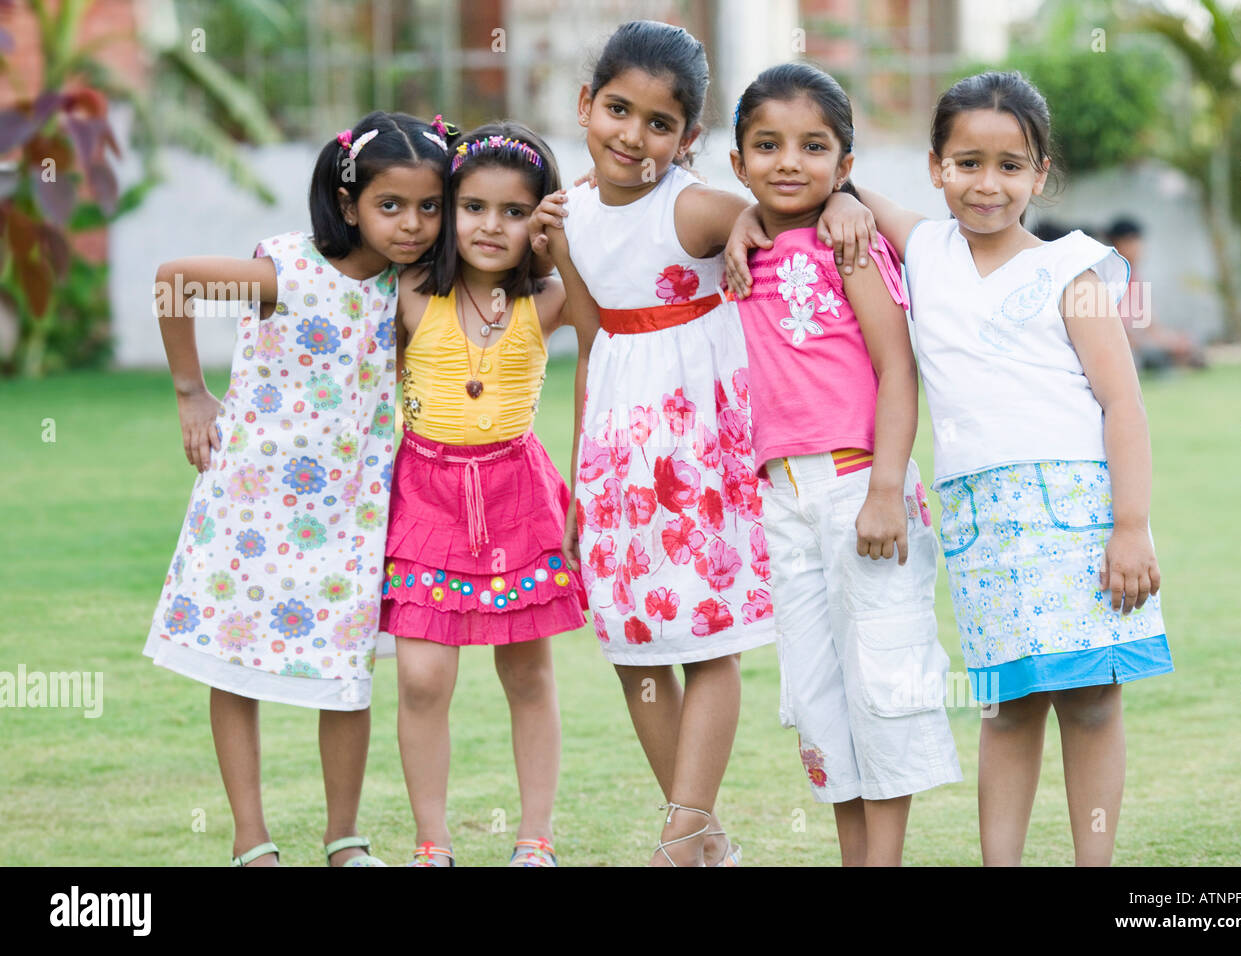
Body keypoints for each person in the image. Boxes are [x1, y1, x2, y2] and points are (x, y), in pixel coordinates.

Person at [791, 71, 1174, 866]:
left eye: (1009, 165)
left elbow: (1124, 407)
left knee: (1094, 701)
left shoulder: (1073, 268)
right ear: (935, 167)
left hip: (1077, 515)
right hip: (981, 522)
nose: (987, 184)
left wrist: (1132, 526)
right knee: (1008, 704)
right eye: (967, 163)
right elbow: (844, 184)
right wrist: (845, 200)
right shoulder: (926, 248)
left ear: (1040, 175)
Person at [529, 19, 875, 866]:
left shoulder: (695, 207)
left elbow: (795, 198)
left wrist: (845, 200)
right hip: (616, 447)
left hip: (697, 447)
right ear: (585, 104)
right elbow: (587, 341)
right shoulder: (568, 217)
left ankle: (682, 833)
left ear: (689, 139)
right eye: (617, 109)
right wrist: (580, 476)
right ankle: (702, 833)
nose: (632, 136)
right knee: (632, 640)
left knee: (708, 634)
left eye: (658, 123)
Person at [145, 111, 450, 866]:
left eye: (429, 206)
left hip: (355, 512)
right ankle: (252, 840)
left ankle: (343, 839)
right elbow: (173, 282)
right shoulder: (284, 271)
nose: (412, 224)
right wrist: (191, 392)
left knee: (347, 676)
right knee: (233, 660)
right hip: (253, 503)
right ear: (348, 204)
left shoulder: (412, 288)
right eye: (391, 206)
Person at [726, 63, 962, 866]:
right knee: (819, 691)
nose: (789, 162)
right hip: (781, 499)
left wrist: (888, 490)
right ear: (737, 162)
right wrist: (734, 224)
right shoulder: (742, 250)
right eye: (767, 145)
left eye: (813, 147)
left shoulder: (849, 243)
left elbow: (899, 369)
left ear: (846, 165)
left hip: (864, 484)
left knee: (882, 679)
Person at [381, 122, 586, 868]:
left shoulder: (553, 299)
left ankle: (535, 837)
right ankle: (431, 841)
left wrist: (563, 246)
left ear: (541, 217)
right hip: (426, 494)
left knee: (527, 670)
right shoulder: (407, 293)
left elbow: (605, 339)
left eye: (514, 211)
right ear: (448, 208)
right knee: (422, 676)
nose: (491, 226)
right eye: (473, 207)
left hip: (518, 492)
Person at [1106, 217, 1207, 370]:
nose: (1139, 248)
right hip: (1125, 346)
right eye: (1133, 242)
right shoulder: (1107, 279)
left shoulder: (1136, 279)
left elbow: (1151, 326)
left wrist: (1173, 341)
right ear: (1118, 243)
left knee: (1187, 342)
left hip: (1141, 342)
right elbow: (1115, 332)